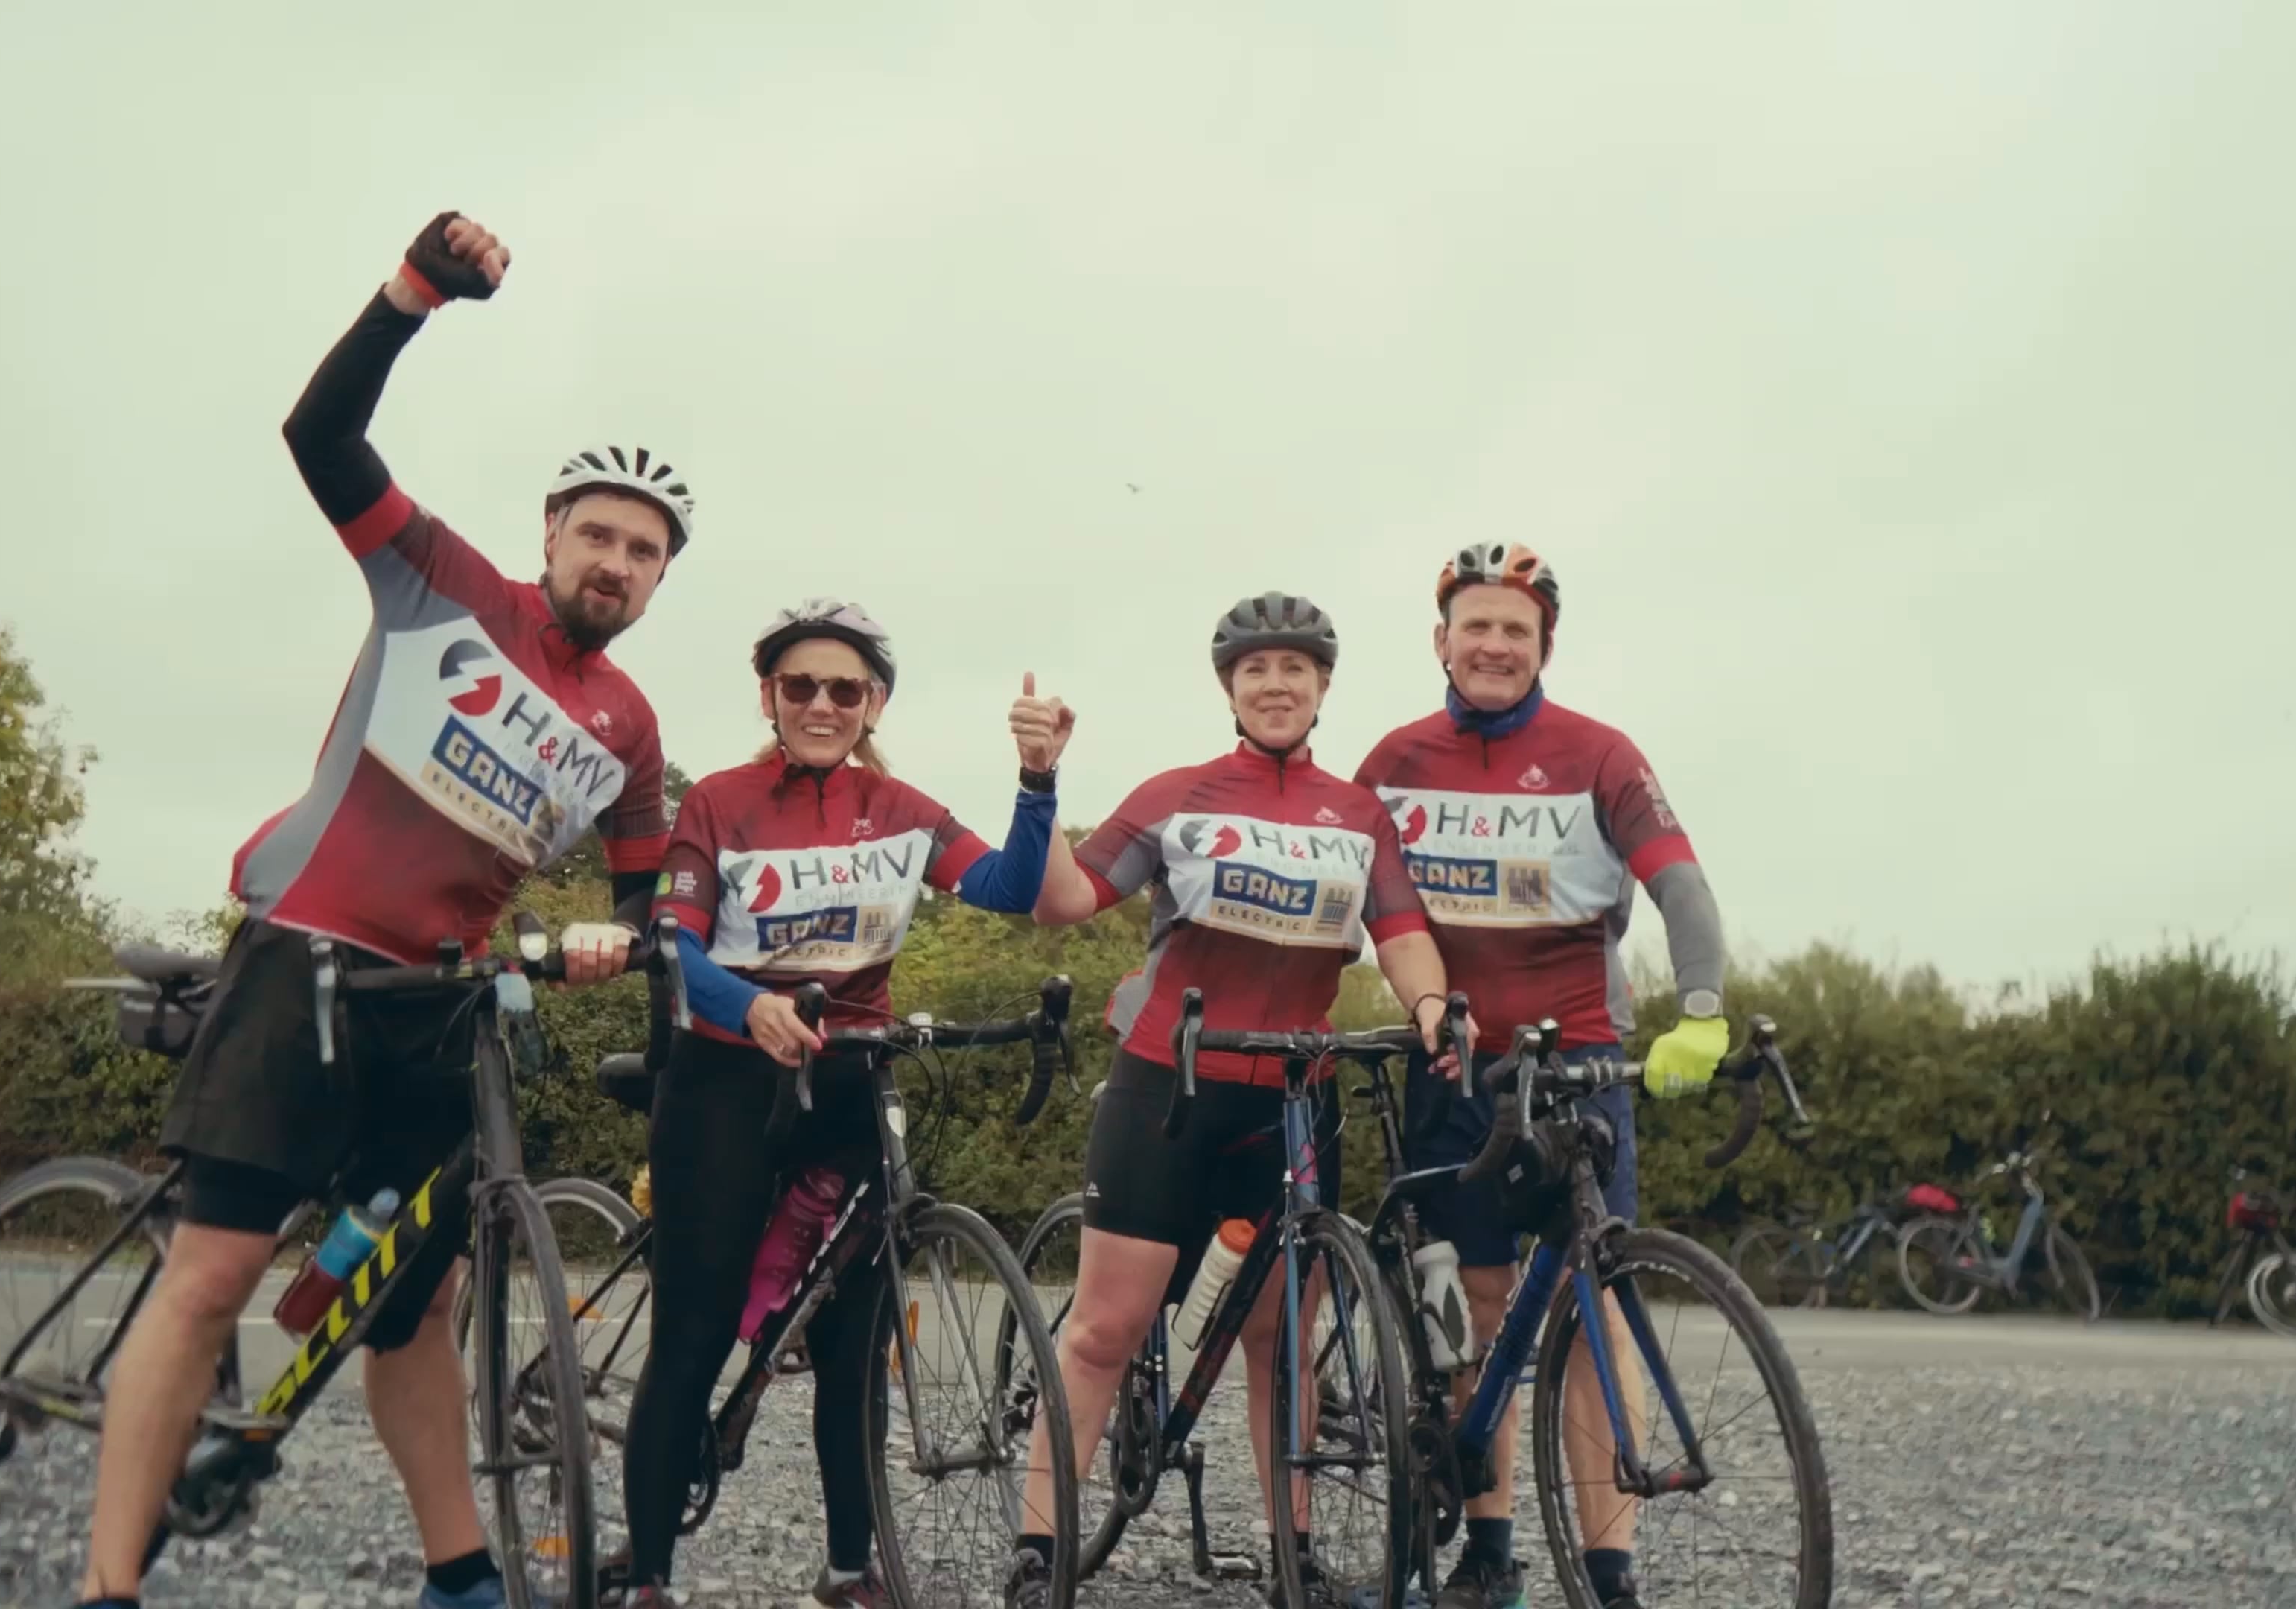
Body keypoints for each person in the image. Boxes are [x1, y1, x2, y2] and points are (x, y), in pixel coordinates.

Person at [74, 212, 690, 1609]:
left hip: (440, 1004)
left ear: (662, 579)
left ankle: (458, 1574)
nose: (615, 561)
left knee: (415, 1303)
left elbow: (645, 903)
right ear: (551, 533)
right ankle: (108, 1584)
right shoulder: (441, 583)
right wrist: (415, 292)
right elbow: (321, 438)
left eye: (645, 551)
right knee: (217, 1274)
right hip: (309, 956)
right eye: (598, 533)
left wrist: (629, 948)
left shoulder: (632, 728)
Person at [618, 598, 1078, 1609]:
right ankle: (645, 1571)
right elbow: (673, 946)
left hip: (851, 1075)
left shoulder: (902, 808)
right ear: (770, 698)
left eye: (844, 688)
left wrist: (1037, 780)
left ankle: (849, 1566)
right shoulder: (721, 802)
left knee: (855, 1344)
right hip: (725, 1081)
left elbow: (1005, 887)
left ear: (873, 703)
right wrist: (751, 1006)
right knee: (694, 1331)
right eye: (801, 686)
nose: (822, 704)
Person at [1010, 591, 1460, 1609]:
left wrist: (1432, 1006)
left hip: (1295, 1096)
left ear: (1323, 686)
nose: (1276, 684)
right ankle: (1041, 1549)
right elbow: (1063, 901)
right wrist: (1040, 782)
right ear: (1230, 688)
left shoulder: (1359, 816)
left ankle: (1293, 1554)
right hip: (1169, 1085)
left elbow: (1400, 931)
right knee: (1106, 1330)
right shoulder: (1180, 796)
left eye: (1295, 668)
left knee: (1281, 1342)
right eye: (1256, 669)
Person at [1350, 542, 1731, 1609]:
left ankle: (1609, 1571)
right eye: (1476, 625)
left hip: (1579, 1067)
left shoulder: (1599, 754)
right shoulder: (1393, 761)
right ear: (1442, 641)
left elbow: (1683, 887)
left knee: (1588, 1303)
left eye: (1515, 630)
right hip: (1452, 1068)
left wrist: (1702, 1008)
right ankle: (1490, 1552)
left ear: (1543, 647)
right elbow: (1340, 900)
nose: (1494, 645)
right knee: (1477, 1308)